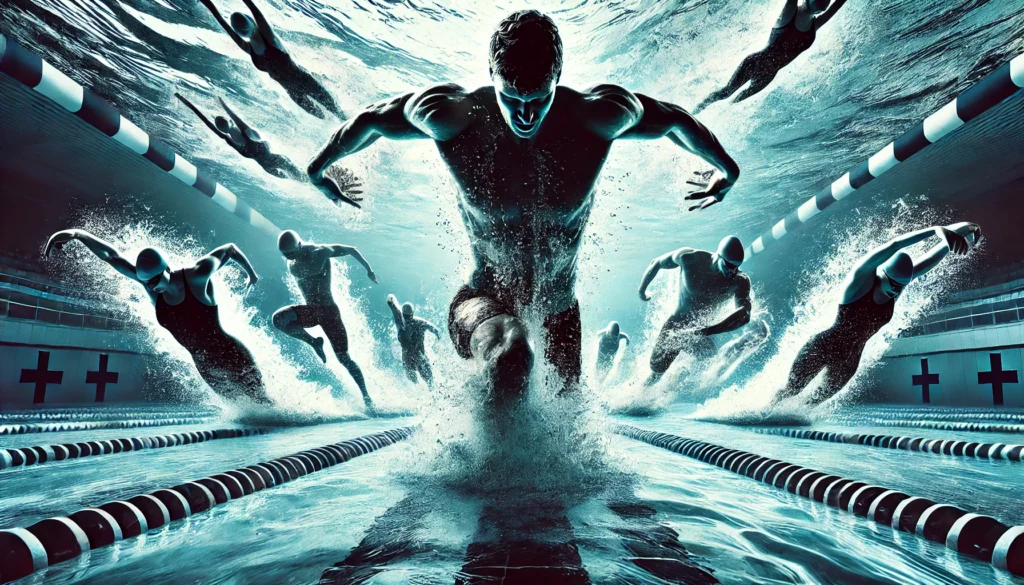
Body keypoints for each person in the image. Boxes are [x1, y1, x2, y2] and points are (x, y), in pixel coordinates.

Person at [307, 10, 741, 406]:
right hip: (481, 299)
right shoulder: (453, 115)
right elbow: (371, 119)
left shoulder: (596, 115)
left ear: (558, 78)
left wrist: (726, 170)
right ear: (491, 74)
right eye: (512, 99)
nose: (527, 114)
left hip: (561, 310)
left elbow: (675, 120)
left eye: (539, 99)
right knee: (513, 354)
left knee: (566, 423)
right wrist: (319, 168)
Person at [44, 230, 268, 403]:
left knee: (264, 404)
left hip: (230, 353)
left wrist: (252, 275)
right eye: (147, 282)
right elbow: (112, 256)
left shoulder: (197, 275)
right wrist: (77, 235)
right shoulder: (150, 286)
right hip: (204, 364)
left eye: (153, 281)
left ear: (166, 270)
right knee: (245, 413)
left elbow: (229, 249)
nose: (150, 286)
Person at [776, 222, 982, 405]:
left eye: (901, 286)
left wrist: (968, 228)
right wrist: (936, 230)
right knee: (790, 391)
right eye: (892, 284)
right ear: (883, 273)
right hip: (822, 348)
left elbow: (939, 252)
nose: (896, 289)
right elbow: (894, 245)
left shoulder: (897, 285)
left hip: (850, 360)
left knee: (812, 404)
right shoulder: (859, 282)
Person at [271, 230, 377, 411]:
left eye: (291, 253)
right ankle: (314, 342)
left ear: (299, 245)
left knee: (344, 358)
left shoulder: (321, 252)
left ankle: (366, 397)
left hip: (329, 313)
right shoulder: (292, 261)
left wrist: (369, 270)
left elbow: (351, 249)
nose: (289, 258)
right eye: (285, 255)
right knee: (278, 319)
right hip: (311, 311)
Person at [693, 0, 848, 114]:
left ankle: (709, 125)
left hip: (767, 76)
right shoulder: (789, 13)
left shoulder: (815, 24)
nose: (824, 3)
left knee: (733, 103)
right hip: (754, 63)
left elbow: (839, 3)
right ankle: (694, 112)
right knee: (726, 93)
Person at [638, 236, 752, 387]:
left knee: (713, 365)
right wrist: (642, 291)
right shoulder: (690, 258)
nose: (733, 271)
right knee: (656, 370)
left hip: (703, 332)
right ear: (719, 256)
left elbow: (745, 314)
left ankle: (680, 375)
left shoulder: (740, 281)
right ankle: (646, 390)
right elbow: (657, 262)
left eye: (737, 267)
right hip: (676, 327)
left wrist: (704, 331)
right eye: (729, 265)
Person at [198, 0, 341, 119]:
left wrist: (209, 5)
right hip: (297, 90)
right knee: (330, 114)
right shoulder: (260, 44)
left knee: (333, 113)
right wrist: (209, 5)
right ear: (252, 22)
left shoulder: (263, 43)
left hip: (301, 86)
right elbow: (251, 10)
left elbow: (225, 22)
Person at [176, 93, 301, 179]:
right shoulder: (246, 138)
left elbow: (208, 122)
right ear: (229, 123)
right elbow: (232, 117)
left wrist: (187, 103)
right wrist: (223, 104)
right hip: (275, 161)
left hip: (269, 167)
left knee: (299, 179)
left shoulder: (238, 144)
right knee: (300, 176)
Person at [386, 295, 440, 389]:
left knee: (429, 385)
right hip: (412, 359)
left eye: (408, 316)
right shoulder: (405, 321)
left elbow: (436, 331)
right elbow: (391, 302)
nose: (407, 319)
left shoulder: (418, 323)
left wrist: (437, 343)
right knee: (421, 386)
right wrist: (391, 299)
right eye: (405, 316)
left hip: (416, 358)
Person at [704, 317, 770, 383]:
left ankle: (713, 377)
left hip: (738, 350)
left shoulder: (754, 337)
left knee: (725, 363)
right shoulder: (752, 335)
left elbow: (743, 347)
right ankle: (712, 375)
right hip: (736, 347)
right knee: (723, 360)